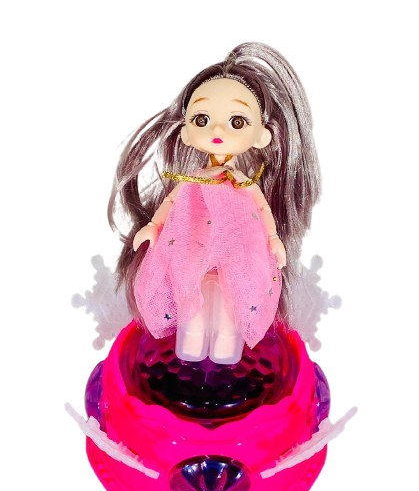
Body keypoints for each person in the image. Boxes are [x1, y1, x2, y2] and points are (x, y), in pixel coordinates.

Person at [108, 42, 320, 363]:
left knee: (230, 303)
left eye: (237, 122)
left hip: (237, 254)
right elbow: (172, 201)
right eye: (202, 119)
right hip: (192, 249)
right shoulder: (193, 179)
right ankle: (190, 345)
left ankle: (226, 349)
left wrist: (274, 239)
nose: (218, 129)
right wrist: (153, 226)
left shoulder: (244, 183)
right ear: (186, 133)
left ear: (261, 136)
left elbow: (263, 209)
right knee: (190, 297)